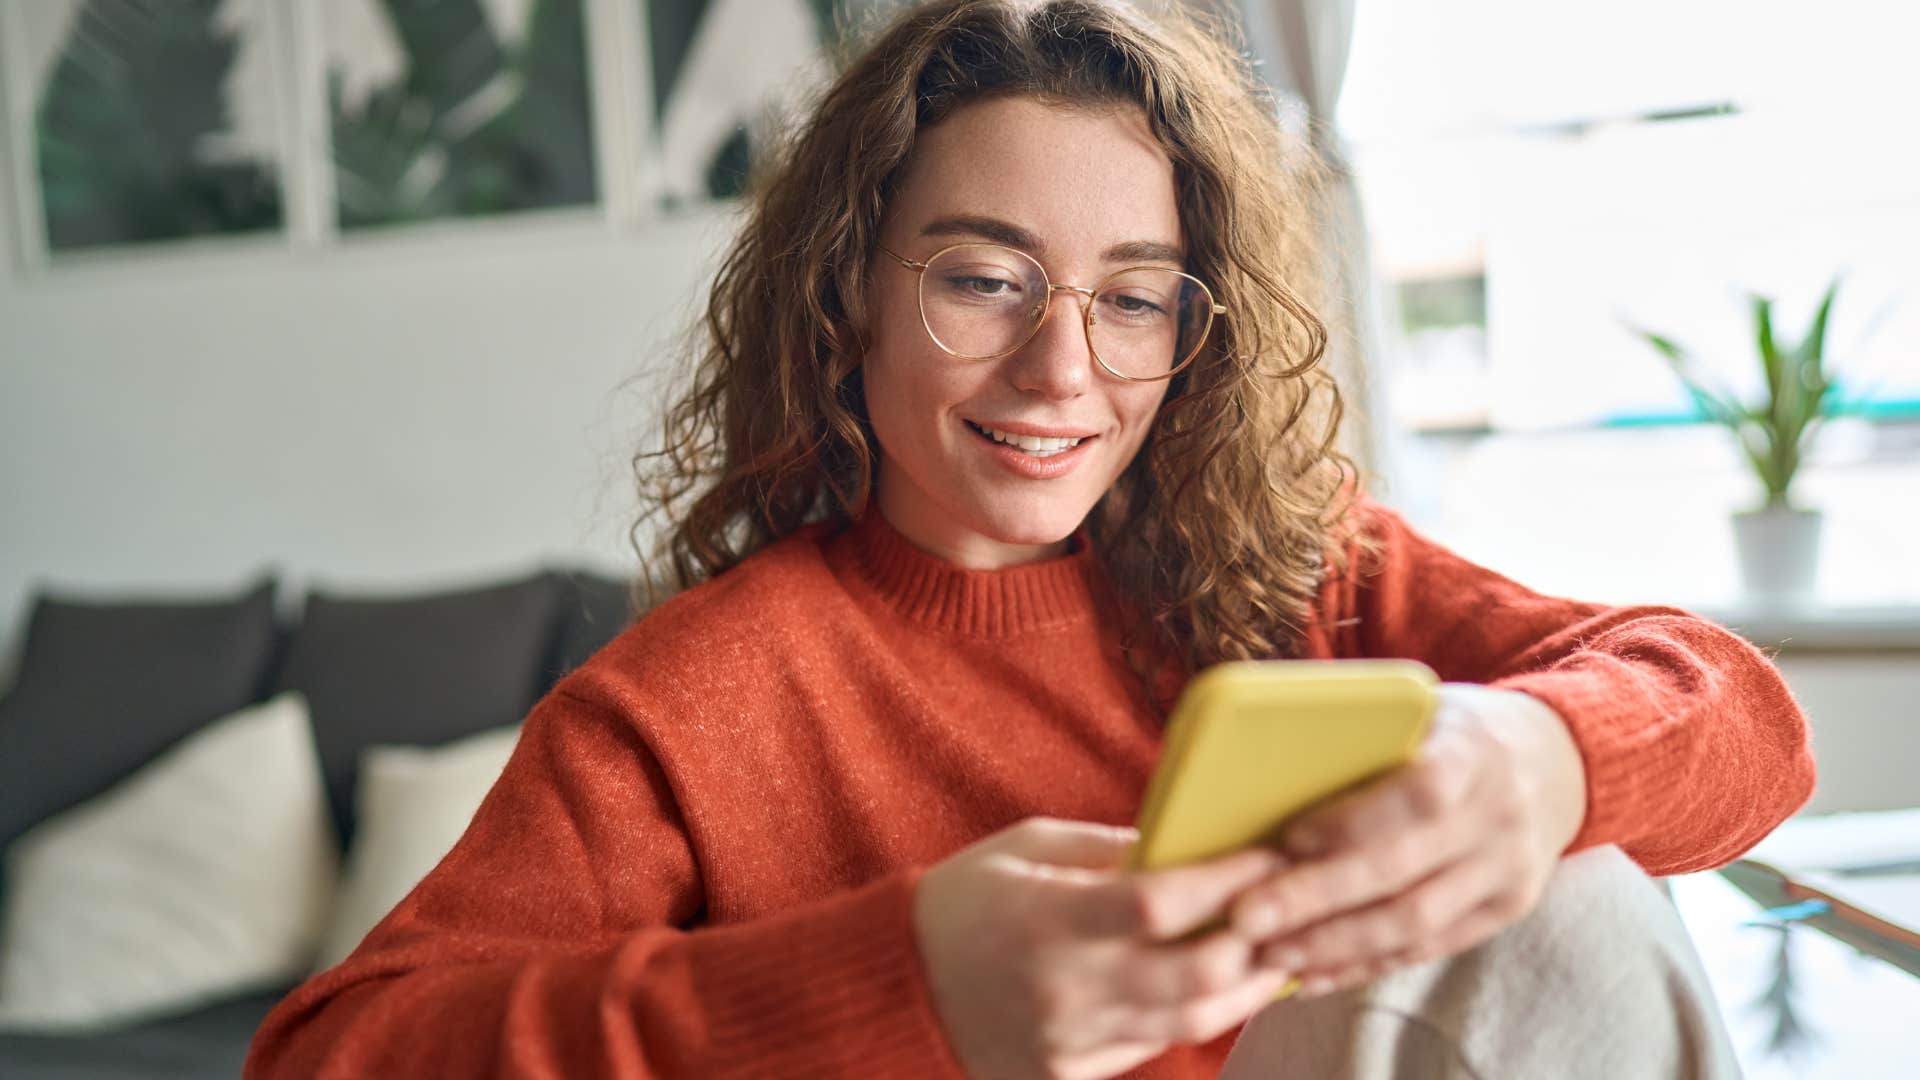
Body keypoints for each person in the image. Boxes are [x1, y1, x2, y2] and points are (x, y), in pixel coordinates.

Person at [246, 1, 1815, 1077]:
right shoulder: (685, 711)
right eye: (983, 280)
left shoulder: (1301, 573)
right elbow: (334, 1056)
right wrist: (902, 980)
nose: (1062, 372)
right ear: (850, 290)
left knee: (1581, 886)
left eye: (1132, 299)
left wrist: (1540, 761)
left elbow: (1741, 719)